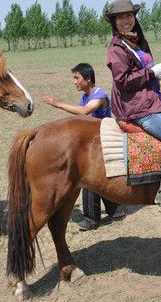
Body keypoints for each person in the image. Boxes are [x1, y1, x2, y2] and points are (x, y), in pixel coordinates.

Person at [105, 0, 161, 215]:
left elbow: (149, 70)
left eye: (129, 16)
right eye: (121, 17)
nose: (126, 21)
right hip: (137, 108)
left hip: (151, 100)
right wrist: (152, 73)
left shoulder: (138, 42)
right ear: (114, 22)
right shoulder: (116, 48)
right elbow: (123, 80)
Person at [43, 63, 126, 230]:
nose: (74, 81)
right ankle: (114, 210)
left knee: (87, 178)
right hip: (93, 141)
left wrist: (57, 104)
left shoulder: (99, 95)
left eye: (77, 78)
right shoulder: (85, 96)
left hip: (104, 139)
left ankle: (91, 218)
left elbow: (84, 112)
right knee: (101, 177)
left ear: (88, 79)